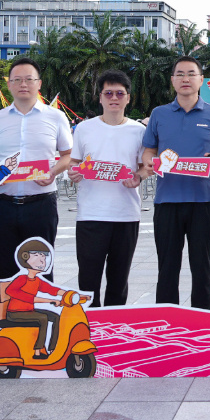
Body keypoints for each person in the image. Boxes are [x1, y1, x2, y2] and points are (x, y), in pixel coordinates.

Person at [140, 56, 210, 309]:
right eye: (180, 74)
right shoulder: (159, 114)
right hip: (167, 201)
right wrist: (149, 163)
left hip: (204, 202)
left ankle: (204, 321)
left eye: (191, 74)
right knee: (167, 268)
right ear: (172, 80)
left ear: (201, 80)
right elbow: (149, 150)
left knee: (202, 268)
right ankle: (167, 321)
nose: (185, 79)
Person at [0, 57, 74, 280]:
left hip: (41, 205)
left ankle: (41, 303)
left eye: (29, 79)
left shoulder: (56, 117)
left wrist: (53, 172)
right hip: (2, 205)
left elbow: (68, 155)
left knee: (41, 272)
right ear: (9, 84)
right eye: (17, 80)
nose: (23, 84)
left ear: (39, 83)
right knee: (4, 271)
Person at [69, 70, 144, 307]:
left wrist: (138, 177)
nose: (114, 98)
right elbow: (74, 162)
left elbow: (145, 166)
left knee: (118, 281)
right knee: (88, 281)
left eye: (119, 93)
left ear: (128, 98)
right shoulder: (84, 129)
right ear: (100, 97)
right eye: (108, 93)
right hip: (91, 214)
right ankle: (88, 325)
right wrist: (74, 172)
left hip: (126, 214)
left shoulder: (139, 131)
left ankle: (115, 324)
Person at [4, 239, 65, 358]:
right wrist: (49, 300)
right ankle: (37, 351)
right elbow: (10, 291)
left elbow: (51, 289)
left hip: (29, 311)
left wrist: (69, 294)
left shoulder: (37, 281)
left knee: (56, 317)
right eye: (36, 255)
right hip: (15, 313)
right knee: (43, 318)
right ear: (25, 257)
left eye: (43, 256)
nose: (42, 260)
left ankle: (53, 347)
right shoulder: (22, 279)